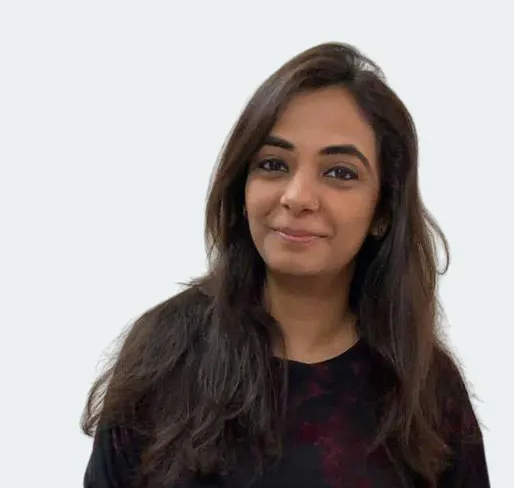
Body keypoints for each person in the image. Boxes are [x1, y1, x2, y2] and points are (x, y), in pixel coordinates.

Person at [82, 42, 490, 488]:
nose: (297, 197)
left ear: (383, 210)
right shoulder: (163, 356)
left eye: (340, 172)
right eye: (274, 164)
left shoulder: (426, 391)